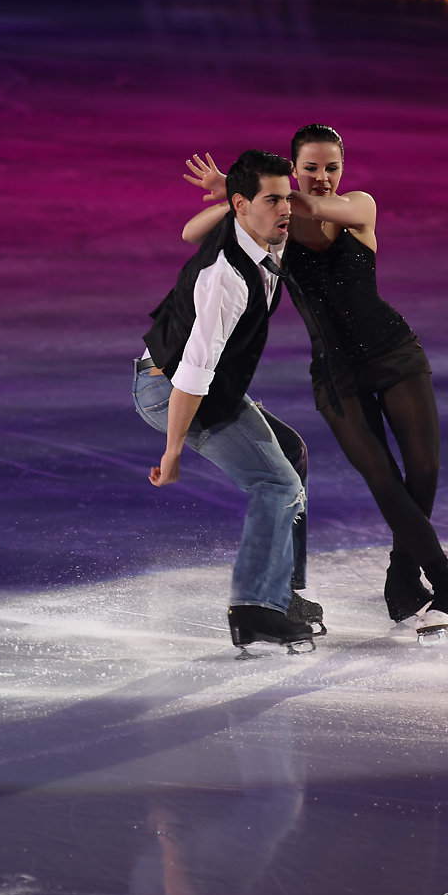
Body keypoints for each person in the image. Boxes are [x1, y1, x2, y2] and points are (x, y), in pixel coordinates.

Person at [182, 126, 448, 635]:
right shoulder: (275, 225)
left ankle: (402, 576)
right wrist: (243, 196)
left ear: (344, 169)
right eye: (311, 168)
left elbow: (319, 211)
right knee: (382, 477)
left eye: (332, 167)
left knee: (423, 469)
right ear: (295, 168)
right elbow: (192, 234)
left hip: (394, 353)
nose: (322, 178)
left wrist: (257, 191)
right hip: (336, 374)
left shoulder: (359, 206)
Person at [133, 149, 325, 654]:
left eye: (287, 198)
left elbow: (189, 232)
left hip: (210, 385)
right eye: (273, 200)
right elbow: (193, 375)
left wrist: (229, 193)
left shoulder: (261, 233)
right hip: (170, 386)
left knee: (292, 453)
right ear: (243, 206)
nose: (287, 209)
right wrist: (173, 452)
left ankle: (279, 593)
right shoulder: (226, 278)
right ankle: (255, 609)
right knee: (275, 481)